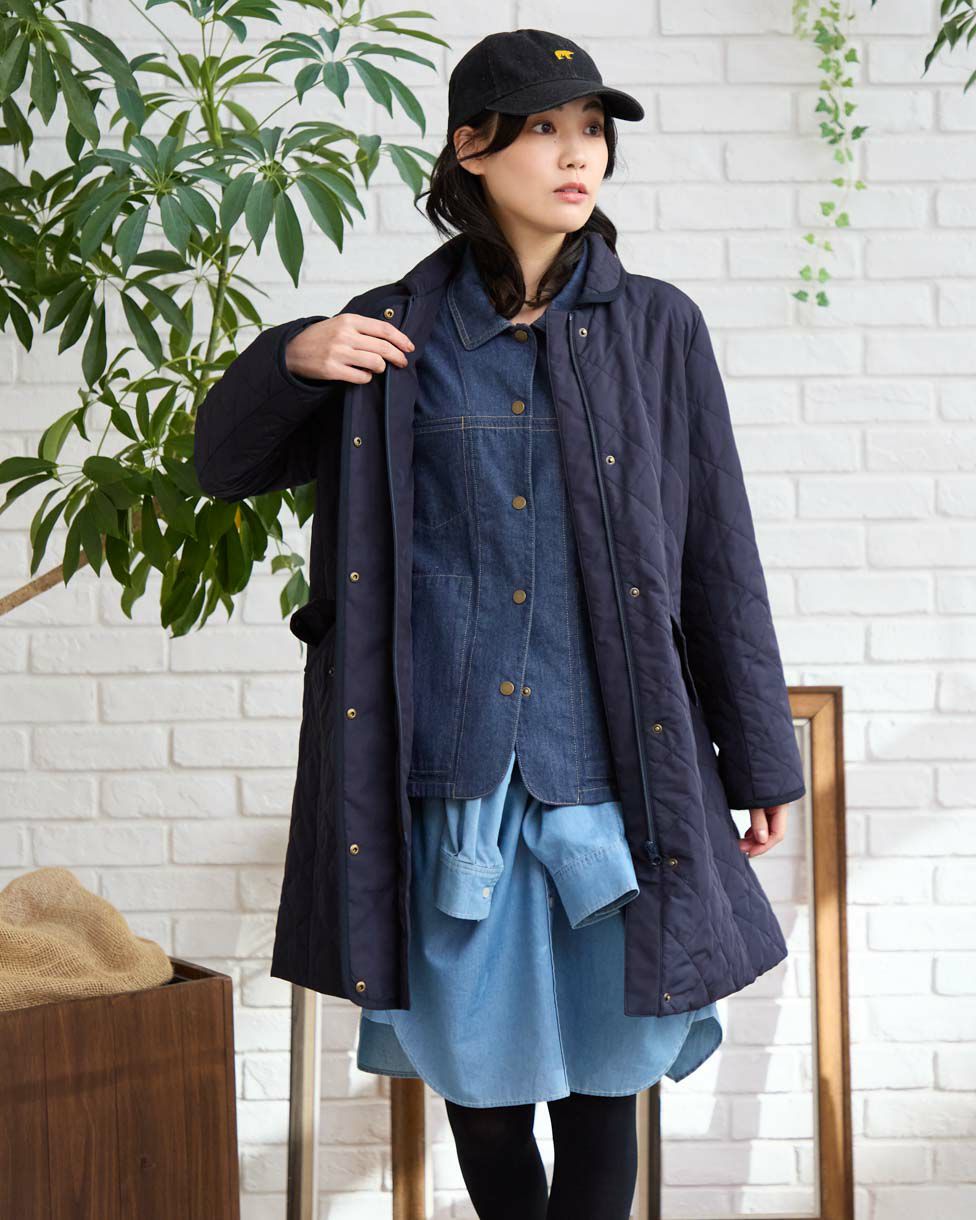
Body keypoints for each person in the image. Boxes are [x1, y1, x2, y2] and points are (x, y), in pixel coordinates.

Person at [196, 27, 804, 1220]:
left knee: (607, 1082)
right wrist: (292, 356)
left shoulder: (657, 327)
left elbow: (716, 551)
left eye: (593, 132)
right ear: (470, 148)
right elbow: (224, 465)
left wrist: (757, 756)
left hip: (610, 769)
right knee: (478, 1084)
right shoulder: (387, 334)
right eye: (544, 130)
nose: (578, 156)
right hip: (451, 776)